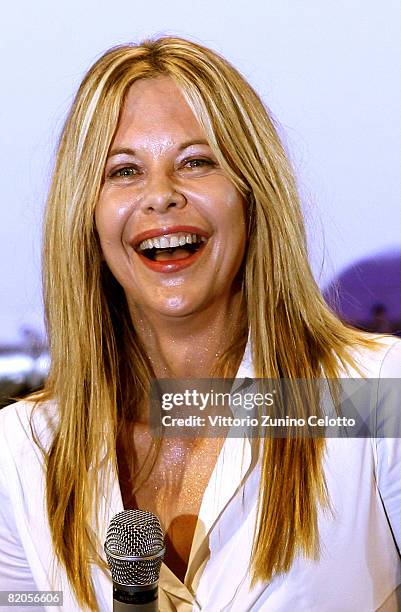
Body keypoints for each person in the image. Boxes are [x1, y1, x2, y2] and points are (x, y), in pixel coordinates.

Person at [0, 36, 400, 612]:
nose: (160, 196)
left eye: (196, 161)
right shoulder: (24, 452)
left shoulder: (372, 396)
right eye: (124, 171)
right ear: (85, 216)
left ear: (251, 193)